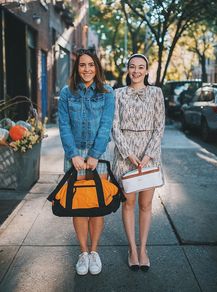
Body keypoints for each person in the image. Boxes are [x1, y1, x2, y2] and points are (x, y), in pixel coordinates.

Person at [58, 49, 115, 276]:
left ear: (97, 67)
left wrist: (94, 154)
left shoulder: (107, 92)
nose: (87, 69)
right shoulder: (66, 93)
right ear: (76, 68)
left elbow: (106, 125)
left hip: (97, 154)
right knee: (79, 205)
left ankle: (94, 252)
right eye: (82, 65)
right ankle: (83, 253)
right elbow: (63, 125)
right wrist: (73, 154)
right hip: (74, 154)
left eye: (91, 64)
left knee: (97, 206)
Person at [112, 54, 165, 272]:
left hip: (149, 156)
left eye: (140, 67)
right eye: (132, 67)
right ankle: (132, 250)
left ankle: (143, 249)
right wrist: (128, 153)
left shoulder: (156, 93)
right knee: (129, 204)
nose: (136, 71)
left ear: (146, 70)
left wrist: (148, 155)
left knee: (145, 205)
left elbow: (160, 126)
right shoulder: (117, 94)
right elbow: (114, 126)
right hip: (126, 156)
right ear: (127, 69)